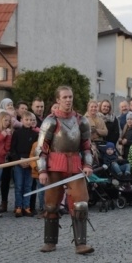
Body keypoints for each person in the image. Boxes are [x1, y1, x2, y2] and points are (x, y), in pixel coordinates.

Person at [35, 86, 94, 254]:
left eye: (70, 97)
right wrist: (42, 170)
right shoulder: (50, 121)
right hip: (55, 166)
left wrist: (88, 165)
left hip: (75, 166)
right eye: (65, 97)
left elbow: (87, 147)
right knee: (51, 205)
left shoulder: (81, 121)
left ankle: (81, 244)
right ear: (58, 100)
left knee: (81, 204)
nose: (69, 100)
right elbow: (41, 149)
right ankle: (50, 242)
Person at [10, 111, 38, 217]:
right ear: (21, 120)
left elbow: (36, 150)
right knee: (19, 186)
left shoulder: (35, 134)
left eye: (31, 120)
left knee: (28, 186)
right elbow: (12, 149)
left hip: (30, 162)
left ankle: (26, 206)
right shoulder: (17, 133)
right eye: (27, 120)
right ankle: (18, 207)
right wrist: (19, 160)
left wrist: (31, 161)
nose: (29, 122)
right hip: (19, 162)